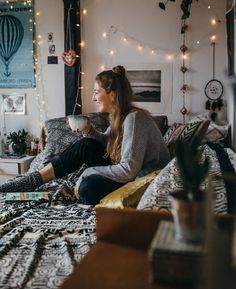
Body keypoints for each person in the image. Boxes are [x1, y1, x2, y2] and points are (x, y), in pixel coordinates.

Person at [0, 65, 170, 205]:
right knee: (85, 145)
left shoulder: (135, 119)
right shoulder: (120, 116)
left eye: (97, 92)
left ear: (112, 94)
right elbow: (104, 142)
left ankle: (44, 182)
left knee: (88, 189)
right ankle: (32, 181)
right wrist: (89, 130)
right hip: (130, 174)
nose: (93, 97)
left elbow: (128, 171)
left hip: (141, 180)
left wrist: (88, 172)